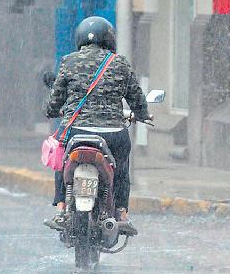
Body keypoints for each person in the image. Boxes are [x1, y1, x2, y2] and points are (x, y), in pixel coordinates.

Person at [43, 16, 150, 234]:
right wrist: (143, 114)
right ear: (110, 39)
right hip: (113, 135)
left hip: (76, 132)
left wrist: (53, 111)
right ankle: (121, 213)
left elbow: (54, 102)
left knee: (63, 161)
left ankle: (62, 208)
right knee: (120, 168)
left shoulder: (68, 61)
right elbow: (136, 98)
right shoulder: (119, 63)